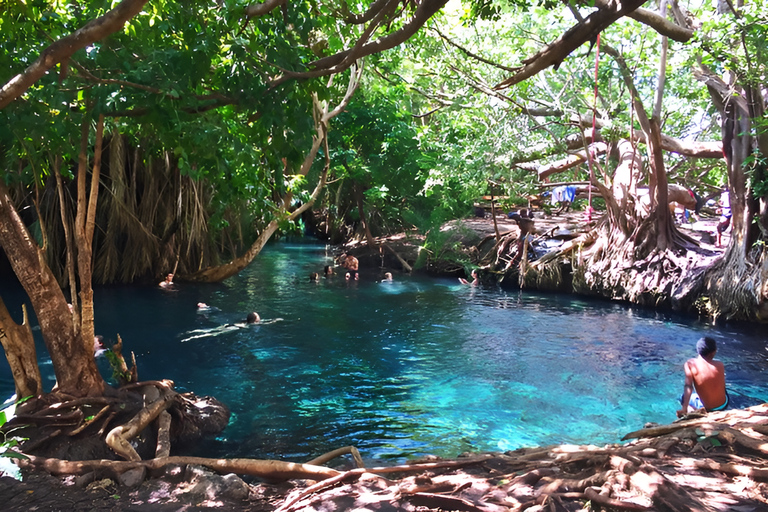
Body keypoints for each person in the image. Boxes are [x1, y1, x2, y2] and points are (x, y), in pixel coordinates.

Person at [677, 336, 728, 417]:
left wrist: (684, 407)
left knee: (681, 398)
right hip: (724, 405)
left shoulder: (690, 364)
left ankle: (690, 411)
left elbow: (688, 386)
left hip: (709, 409)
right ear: (713, 352)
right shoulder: (720, 364)